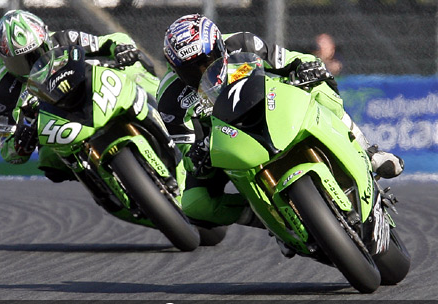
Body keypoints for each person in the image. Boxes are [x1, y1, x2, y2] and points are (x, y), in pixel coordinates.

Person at [157, 14, 404, 227]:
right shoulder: (168, 99)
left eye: (206, 61)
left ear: (218, 46)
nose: (201, 72)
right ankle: (263, 217)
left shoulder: (242, 42)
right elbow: (187, 152)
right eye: (190, 69)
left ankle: (369, 152)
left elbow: (290, 61)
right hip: (226, 143)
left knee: (320, 87)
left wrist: (306, 67)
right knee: (193, 204)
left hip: (272, 107)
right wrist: (198, 154)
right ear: (174, 67)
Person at [0, 9, 159, 182]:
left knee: (134, 69)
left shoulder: (63, 39)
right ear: (2, 60)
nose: (31, 65)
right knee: (49, 162)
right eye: (18, 62)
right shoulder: (4, 89)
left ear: (46, 40)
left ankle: (164, 113)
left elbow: (109, 41)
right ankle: (100, 185)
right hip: (59, 124)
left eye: (36, 54)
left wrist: (121, 50)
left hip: (90, 94)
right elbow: (7, 148)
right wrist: (22, 140)